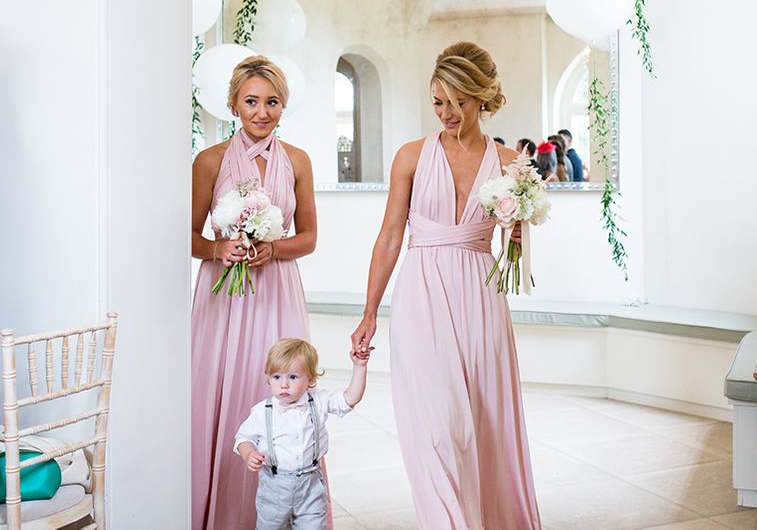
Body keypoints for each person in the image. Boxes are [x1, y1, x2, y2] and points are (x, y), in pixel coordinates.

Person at [351, 41, 541, 529]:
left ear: (480, 98)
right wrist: (370, 312)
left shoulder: (507, 162)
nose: (446, 113)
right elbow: (391, 235)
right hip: (421, 294)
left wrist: (517, 231)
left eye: (456, 102)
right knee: (436, 426)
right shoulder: (411, 157)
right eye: (437, 102)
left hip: (481, 294)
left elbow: (513, 255)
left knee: (481, 423)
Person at [191, 56, 319, 530]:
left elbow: (308, 237)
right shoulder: (209, 161)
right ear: (233, 104)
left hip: (277, 289)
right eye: (251, 101)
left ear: (283, 105)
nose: (261, 112)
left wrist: (275, 248)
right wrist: (218, 247)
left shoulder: (299, 162)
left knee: (284, 388)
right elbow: (187, 236)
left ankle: (289, 513)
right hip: (222, 295)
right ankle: (220, 510)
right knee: (222, 390)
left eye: (272, 102)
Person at [235, 338, 371, 530]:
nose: (283, 385)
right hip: (274, 486)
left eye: (292, 377)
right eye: (276, 377)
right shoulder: (261, 411)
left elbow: (350, 398)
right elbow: (243, 438)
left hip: (310, 485)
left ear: (311, 379)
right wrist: (249, 454)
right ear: (268, 378)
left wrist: (359, 367)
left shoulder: (319, 401)